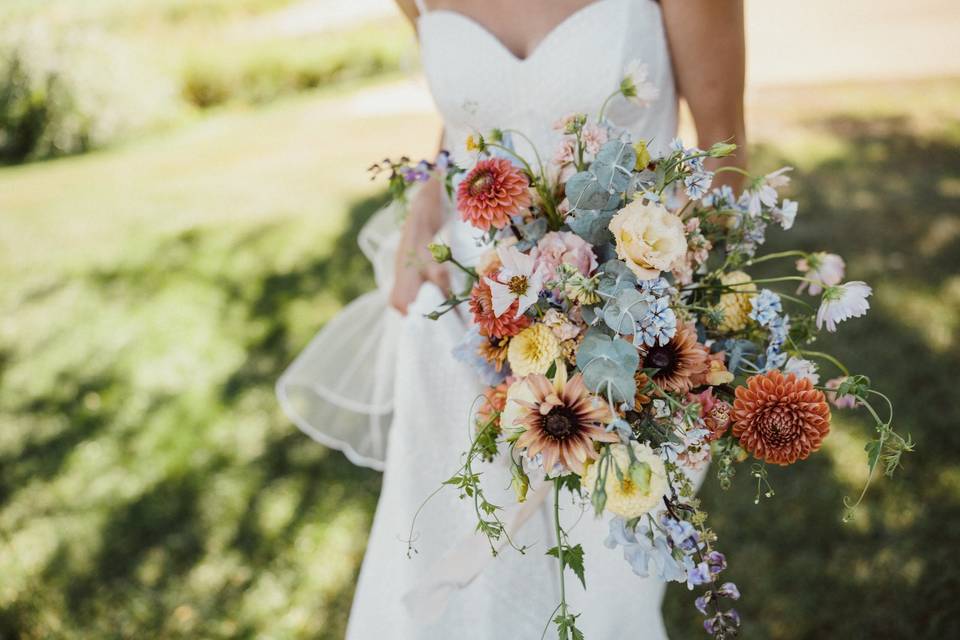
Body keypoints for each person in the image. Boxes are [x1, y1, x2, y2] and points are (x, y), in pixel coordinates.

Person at [278, 1, 746, 637]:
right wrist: (421, 218)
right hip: (456, 328)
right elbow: (464, 121)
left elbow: (724, 152)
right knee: (447, 572)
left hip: (623, 344)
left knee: (595, 595)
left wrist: (659, 317)